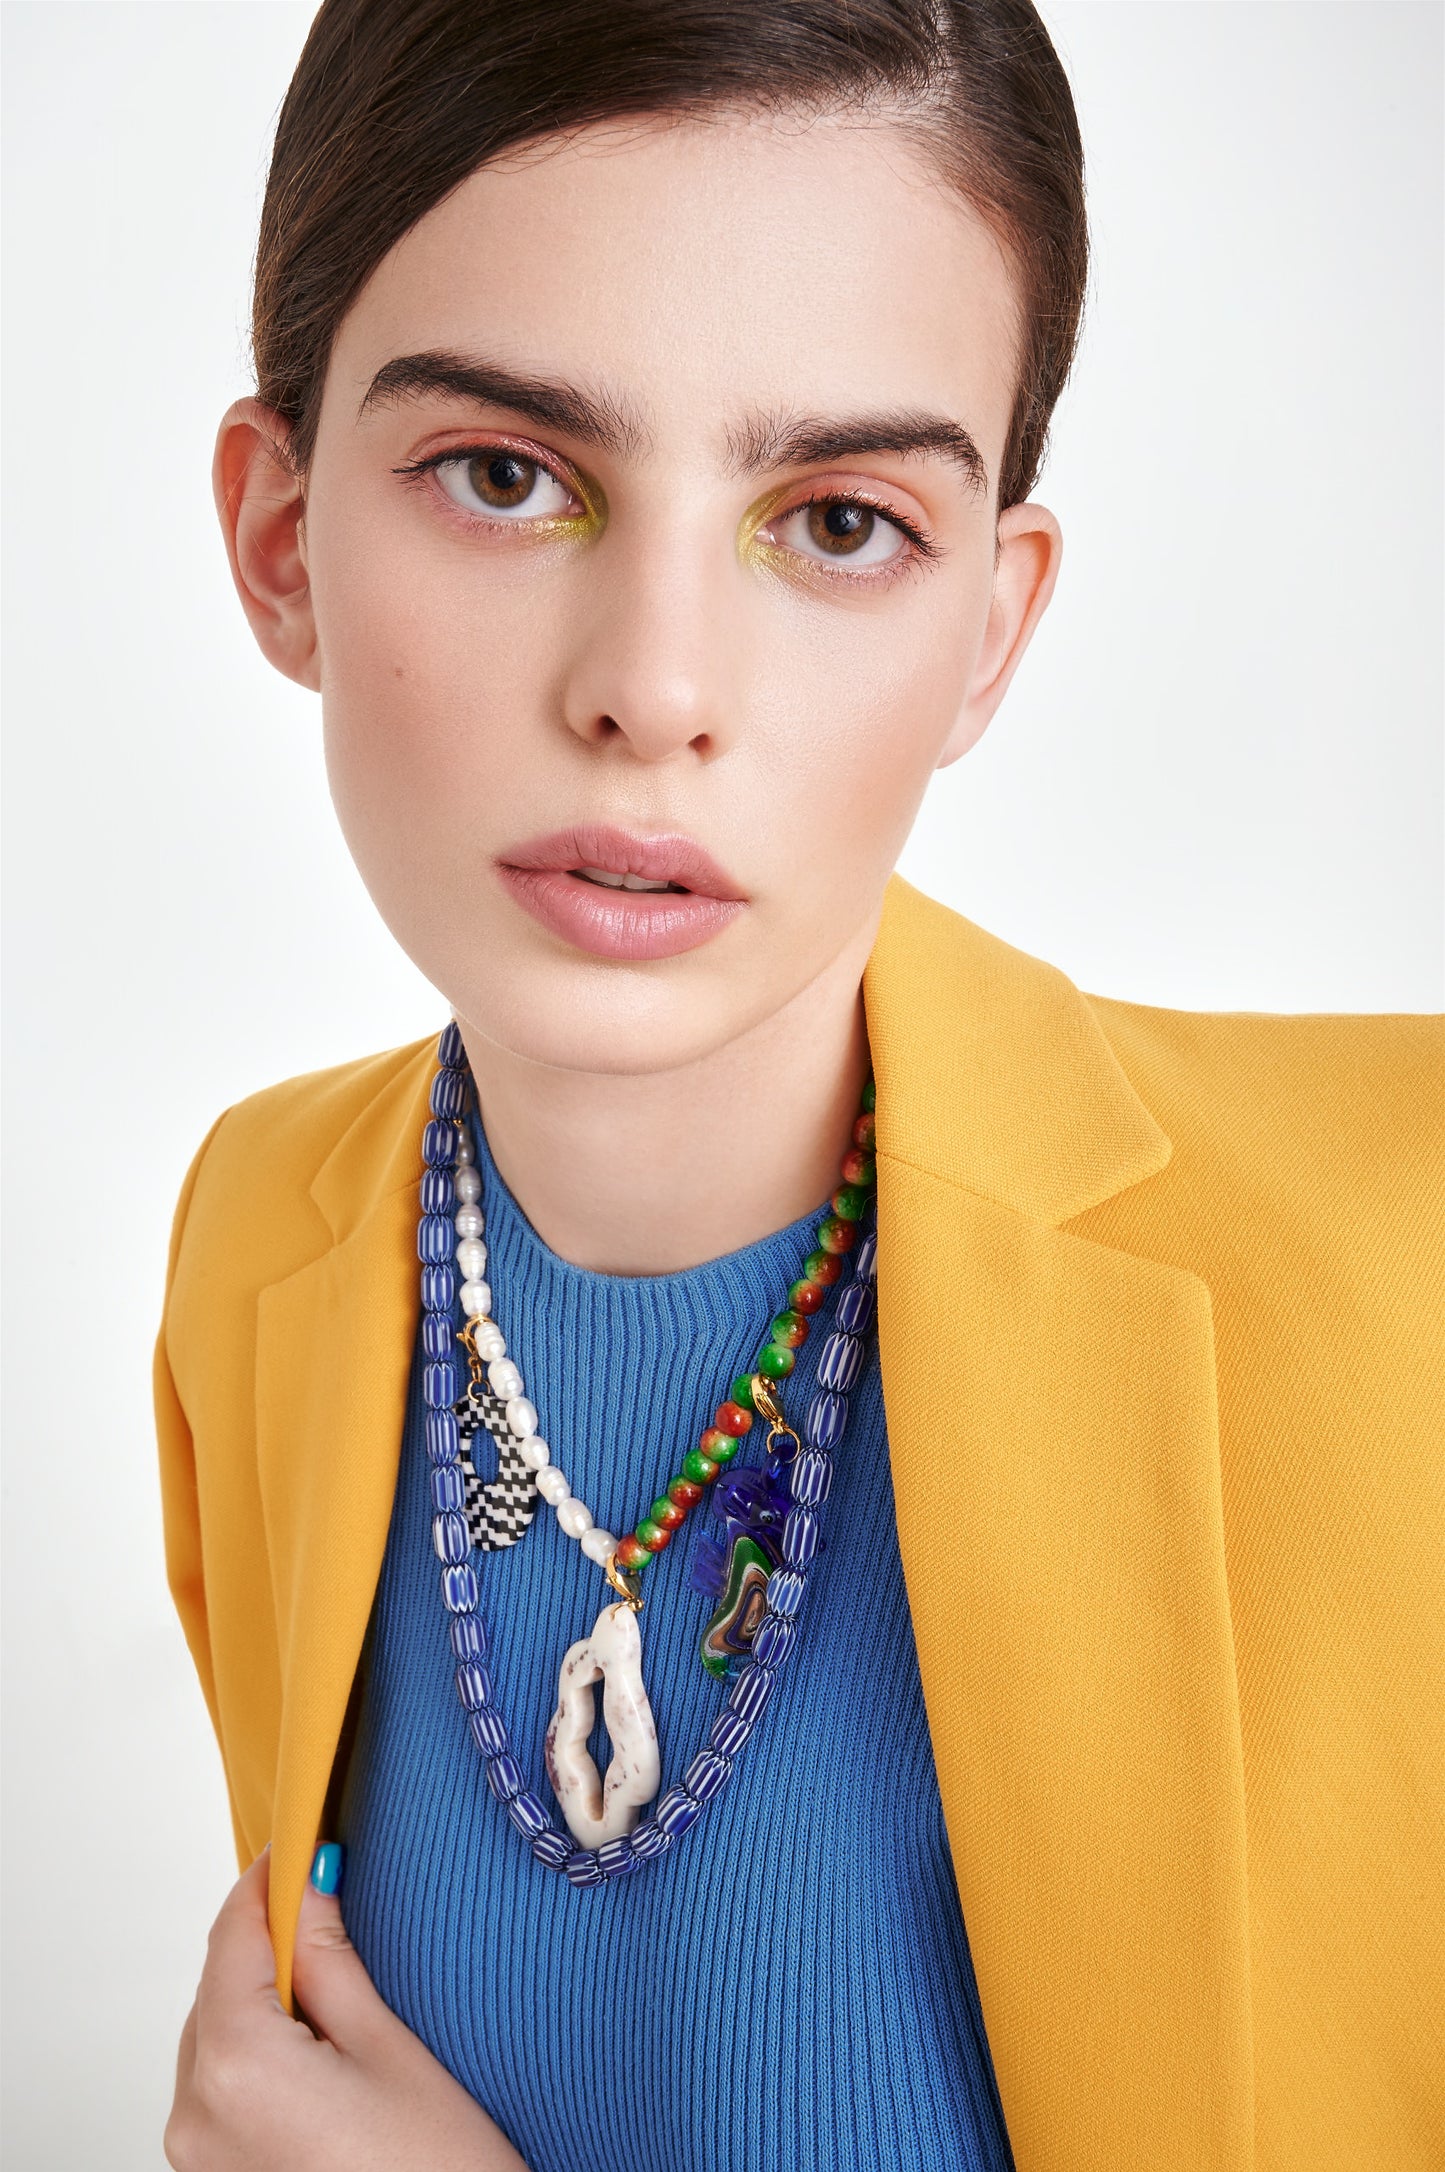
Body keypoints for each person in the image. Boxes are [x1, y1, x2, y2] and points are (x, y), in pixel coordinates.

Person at [153, 3, 1443, 2168]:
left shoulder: (1409, 1254)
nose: (654, 688)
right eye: (507, 475)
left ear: (990, 632)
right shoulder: (257, 1230)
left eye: (838, 520)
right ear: (282, 542)